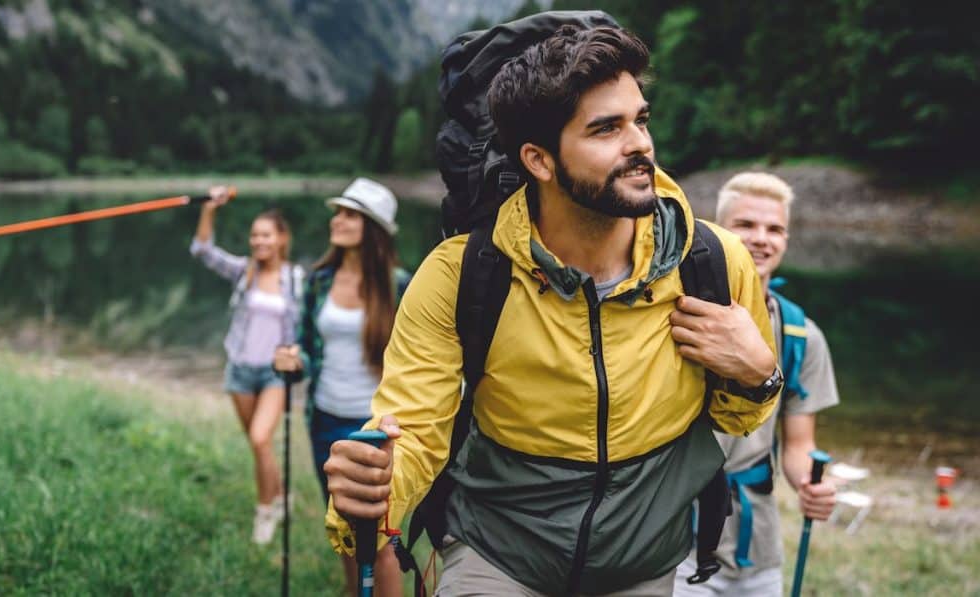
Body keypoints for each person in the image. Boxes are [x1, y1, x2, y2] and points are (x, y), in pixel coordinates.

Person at [319, 25, 784, 596]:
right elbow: (414, 430)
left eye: (640, 119)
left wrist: (761, 374)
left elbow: (737, 418)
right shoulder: (461, 274)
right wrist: (375, 487)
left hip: (644, 566)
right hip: (497, 556)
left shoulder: (711, 260)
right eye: (606, 128)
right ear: (538, 159)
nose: (639, 143)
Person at [675, 172, 840, 596]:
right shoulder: (679, 315)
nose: (761, 239)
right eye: (746, 225)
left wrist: (812, 483)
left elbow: (799, 444)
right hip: (677, 539)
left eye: (775, 229)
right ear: (717, 229)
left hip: (759, 549)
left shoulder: (802, 335)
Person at [273, 177, 408, 597]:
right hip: (325, 421)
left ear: (372, 227)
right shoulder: (318, 281)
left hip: (373, 428)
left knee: (380, 542)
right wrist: (293, 361)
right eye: (338, 211)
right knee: (344, 534)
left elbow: (416, 364)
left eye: (350, 214)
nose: (338, 219)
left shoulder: (400, 284)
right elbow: (310, 348)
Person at [190, 186, 304, 545]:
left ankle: (265, 512)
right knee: (260, 446)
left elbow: (308, 324)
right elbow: (202, 250)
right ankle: (283, 494)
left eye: (266, 235)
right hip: (240, 369)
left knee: (259, 439)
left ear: (282, 238)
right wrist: (209, 209)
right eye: (255, 235)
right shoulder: (245, 271)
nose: (259, 241)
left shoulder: (297, 279)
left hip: (275, 372)